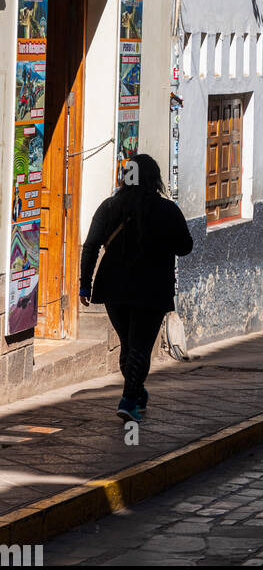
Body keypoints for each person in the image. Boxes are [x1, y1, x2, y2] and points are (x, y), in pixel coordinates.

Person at [79, 154, 193, 424]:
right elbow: (185, 247)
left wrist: (85, 284)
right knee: (140, 346)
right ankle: (129, 399)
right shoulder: (166, 210)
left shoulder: (109, 207)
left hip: (114, 289)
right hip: (151, 289)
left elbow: (91, 245)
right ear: (155, 179)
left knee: (130, 345)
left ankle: (137, 393)